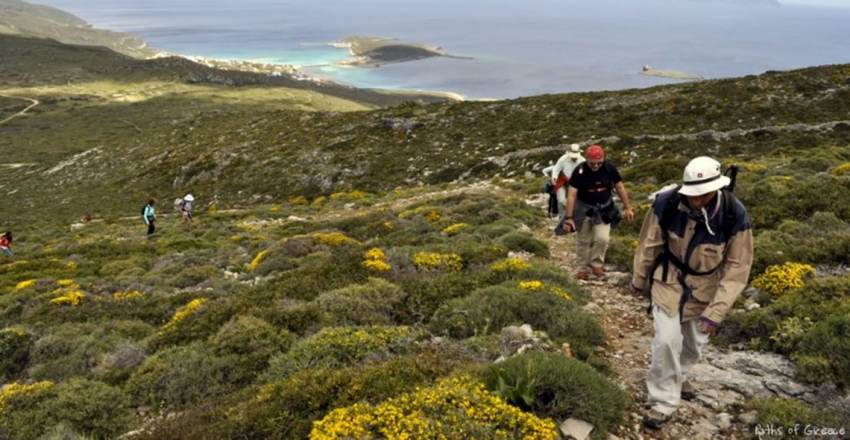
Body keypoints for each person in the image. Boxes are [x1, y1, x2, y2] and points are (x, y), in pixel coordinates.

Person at [629, 156, 753, 429]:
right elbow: (649, 245)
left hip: (705, 288)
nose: (696, 201)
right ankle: (662, 402)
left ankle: (677, 376)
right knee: (666, 341)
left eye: (702, 196)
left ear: (715, 189)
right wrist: (639, 280)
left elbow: (737, 269)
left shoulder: (734, 214)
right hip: (667, 280)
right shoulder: (667, 203)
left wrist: (716, 312)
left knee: (693, 346)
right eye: (692, 196)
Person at [562, 144, 634, 279]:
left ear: (603, 159)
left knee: (602, 239)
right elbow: (571, 195)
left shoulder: (609, 168)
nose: (595, 166)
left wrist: (627, 207)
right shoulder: (579, 171)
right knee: (583, 240)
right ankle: (582, 268)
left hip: (604, 210)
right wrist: (569, 217)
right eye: (592, 163)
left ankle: (596, 264)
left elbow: (619, 187)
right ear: (587, 159)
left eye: (598, 163)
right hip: (583, 209)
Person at [550, 143, 585, 215]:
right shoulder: (563, 159)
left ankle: (572, 214)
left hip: (575, 183)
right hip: (562, 182)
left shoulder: (582, 161)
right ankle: (562, 216)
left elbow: (586, 173)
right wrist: (554, 177)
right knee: (561, 200)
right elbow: (556, 169)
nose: (574, 158)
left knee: (578, 200)